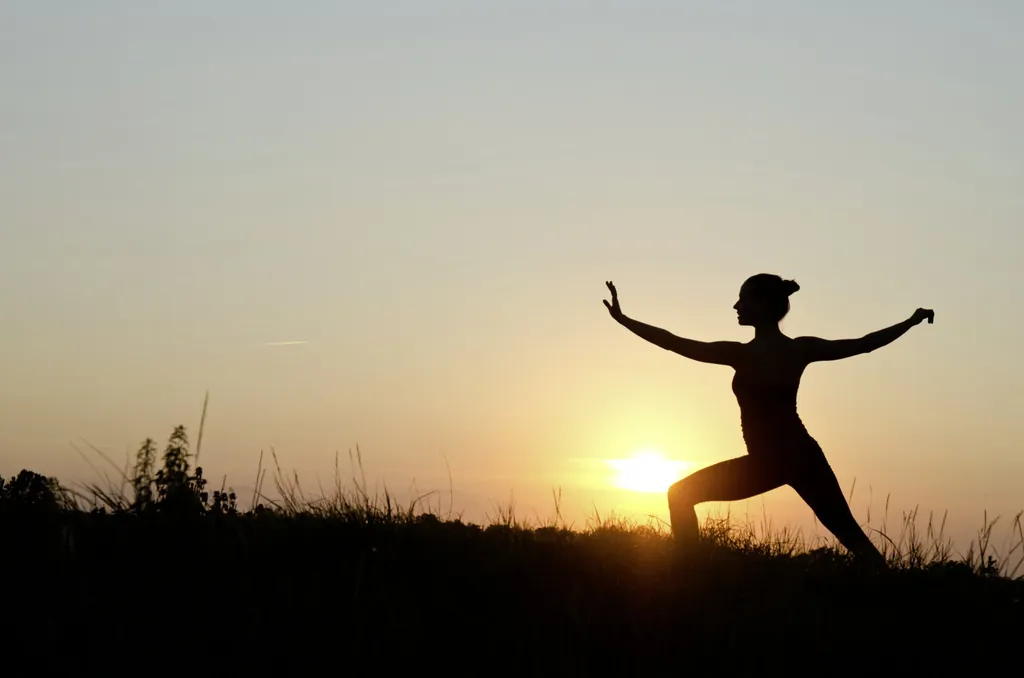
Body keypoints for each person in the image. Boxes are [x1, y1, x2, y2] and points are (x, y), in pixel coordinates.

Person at [602, 274, 934, 565]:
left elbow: (673, 343)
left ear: (761, 305)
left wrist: (623, 320)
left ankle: (690, 572)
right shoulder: (798, 349)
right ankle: (894, 587)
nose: (736, 305)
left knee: (679, 494)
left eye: (743, 299)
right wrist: (910, 322)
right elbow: (864, 345)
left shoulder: (740, 354)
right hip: (801, 457)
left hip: (773, 461)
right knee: (852, 537)